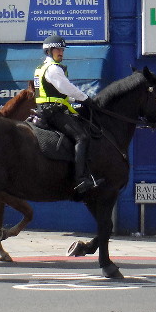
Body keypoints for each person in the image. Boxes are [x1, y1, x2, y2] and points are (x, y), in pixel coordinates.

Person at [34, 34, 102, 195]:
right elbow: (66, 87)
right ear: (49, 51)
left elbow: (59, 93)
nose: (61, 52)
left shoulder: (42, 68)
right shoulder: (53, 69)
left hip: (47, 109)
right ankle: (81, 179)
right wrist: (86, 99)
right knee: (82, 137)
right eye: (58, 49)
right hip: (53, 112)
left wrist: (73, 100)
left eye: (63, 49)